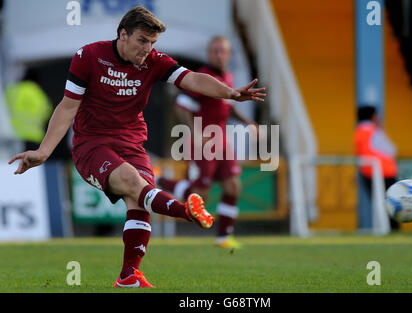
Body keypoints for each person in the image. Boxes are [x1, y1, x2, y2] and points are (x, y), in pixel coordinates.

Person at [8, 6, 266, 288]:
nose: (148, 49)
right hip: (92, 144)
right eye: (142, 40)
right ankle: (185, 211)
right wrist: (43, 151)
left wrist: (230, 93)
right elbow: (68, 107)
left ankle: (129, 275)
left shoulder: (154, 61)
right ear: (123, 34)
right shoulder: (89, 56)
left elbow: (191, 78)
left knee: (139, 201)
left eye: (153, 43)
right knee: (134, 183)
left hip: (132, 142)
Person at [157, 36, 258, 249]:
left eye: (223, 51)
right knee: (200, 194)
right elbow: (181, 105)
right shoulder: (203, 77)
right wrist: (195, 133)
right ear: (209, 53)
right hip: (204, 141)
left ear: (229, 55)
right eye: (215, 51)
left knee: (233, 186)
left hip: (221, 139)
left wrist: (248, 122)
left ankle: (223, 237)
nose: (219, 54)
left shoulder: (228, 77)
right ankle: (161, 182)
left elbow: (227, 107)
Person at [354, 105, 400, 231]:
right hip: (385, 172)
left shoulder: (358, 131)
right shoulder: (374, 131)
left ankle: (384, 228)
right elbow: (391, 150)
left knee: (379, 203)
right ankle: (393, 230)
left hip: (368, 173)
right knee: (392, 204)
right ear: (373, 116)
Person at [5, 68, 53, 151]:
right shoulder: (36, 92)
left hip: (13, 135)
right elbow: (48, 111)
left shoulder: (13, 90)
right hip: (33, 137)